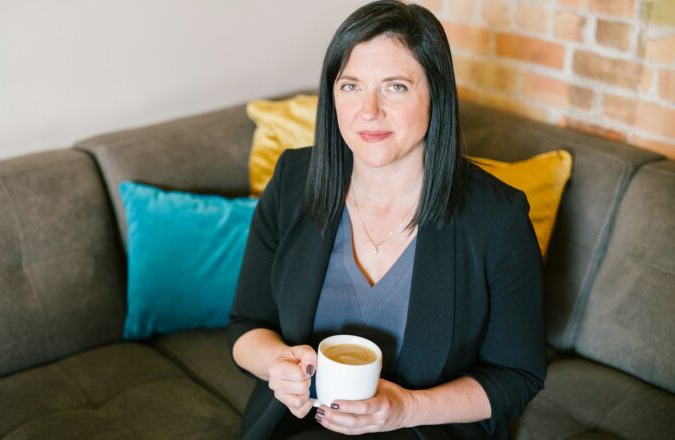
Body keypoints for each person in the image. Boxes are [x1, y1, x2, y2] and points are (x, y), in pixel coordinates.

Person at [228, 1, 547, 438]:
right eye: (351, 86)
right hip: (298, 425)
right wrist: (276, 366)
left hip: (426, 427)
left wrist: (405, 408)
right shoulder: (292, 180)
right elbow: (247, 326)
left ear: (436, 93)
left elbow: (518, 375)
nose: (369, 110)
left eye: (395, 87)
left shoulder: (497, 217)